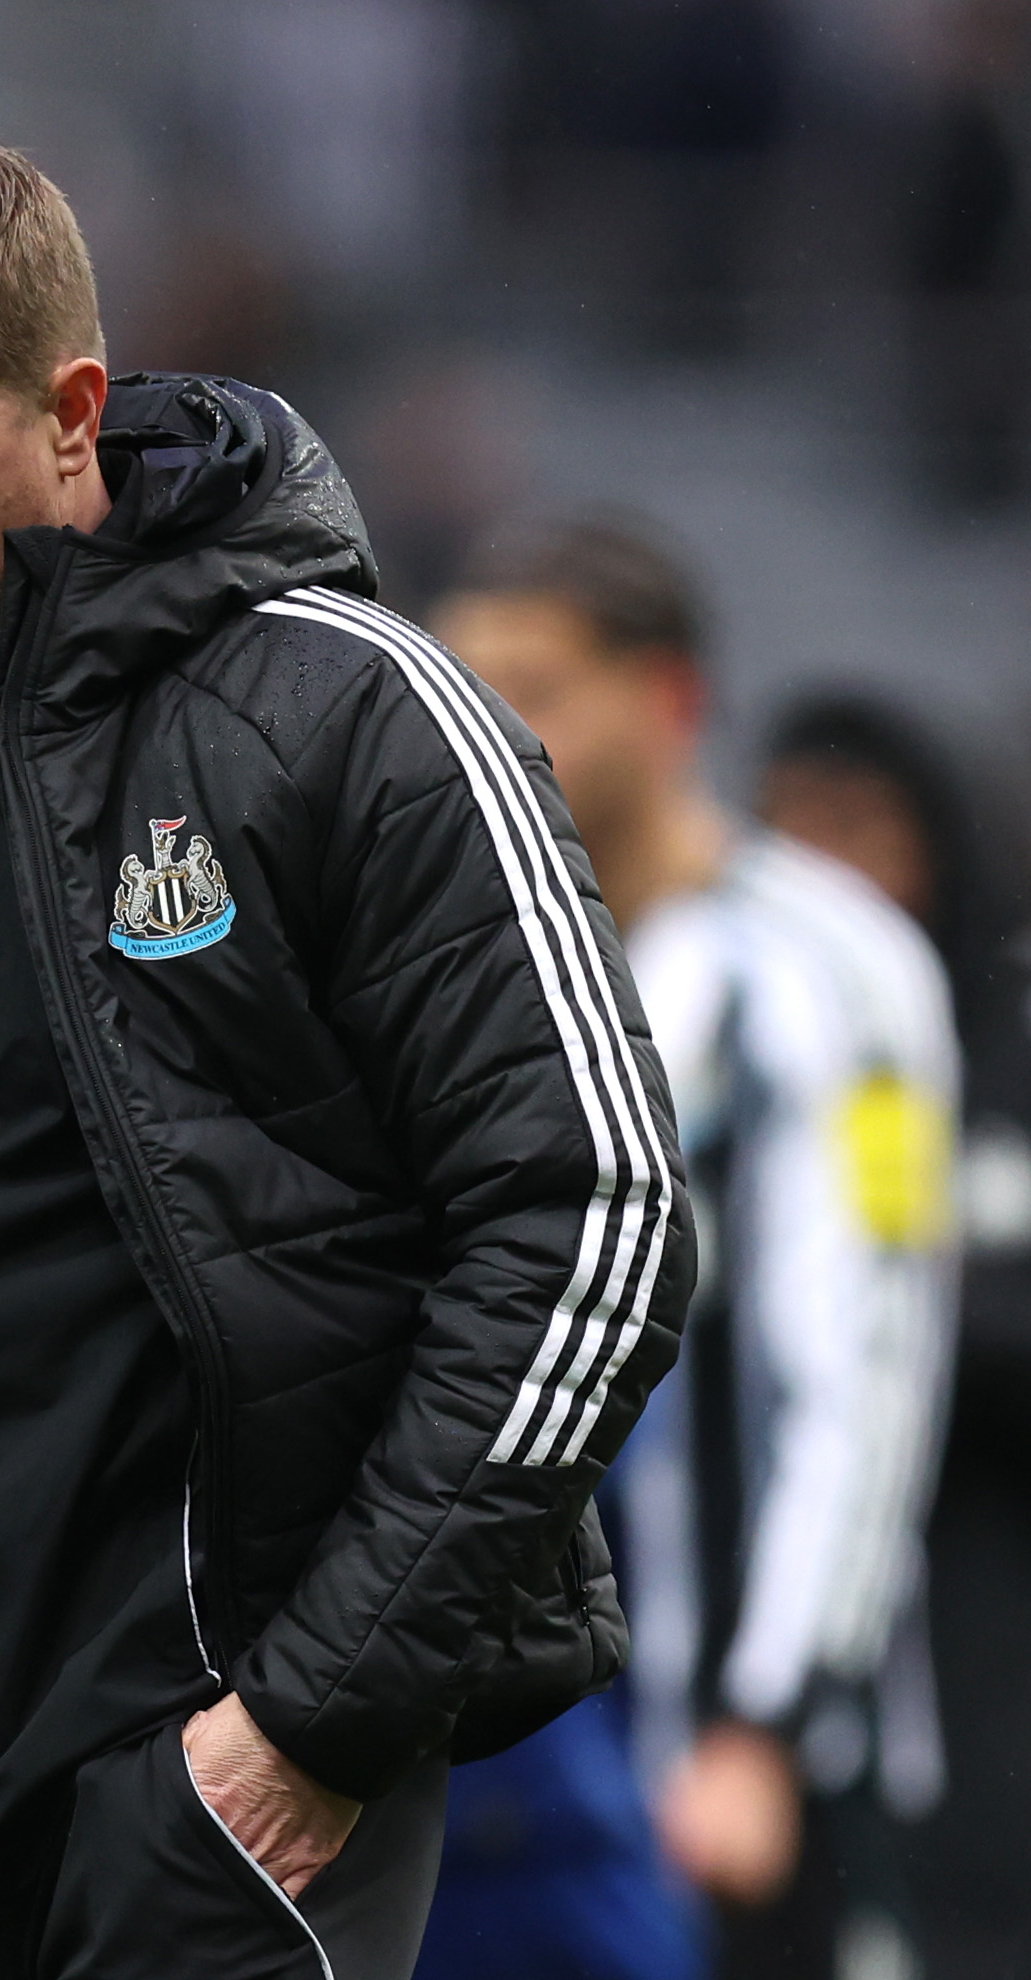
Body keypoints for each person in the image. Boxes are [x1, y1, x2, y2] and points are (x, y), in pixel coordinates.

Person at [0, 128, 692, 1980]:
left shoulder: (350, 713)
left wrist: (307, 1722)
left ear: (73, 410)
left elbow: (596, 1215)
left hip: (206, 1817)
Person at [436, 525, 958, 1980]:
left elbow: (867, 1366)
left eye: (534, 683)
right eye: (465, 683)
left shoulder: (835, 965)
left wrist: (762, 1726)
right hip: (500, 1764)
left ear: (665, 703)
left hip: (743, 1765)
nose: (490, 725)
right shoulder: (446, 958)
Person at [754, 691, 1031, 1980]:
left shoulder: (1003, 1048)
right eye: (787, 825)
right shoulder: (741, 1053)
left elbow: (898, 1312)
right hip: (798, 1638)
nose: (819, 868)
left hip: (987, 1610)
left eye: (856, 825)